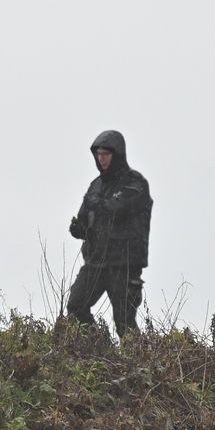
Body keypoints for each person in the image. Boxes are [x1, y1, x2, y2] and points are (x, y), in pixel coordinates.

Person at [66, 130, 153, 336]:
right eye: (99, 154)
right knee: (75, 306)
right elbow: (86, 217)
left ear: (117, 155)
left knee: (124, 322)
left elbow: (120, 208)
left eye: (106, 154)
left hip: (124, 264)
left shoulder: (135, 183)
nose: (102, 159)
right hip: (96, 262)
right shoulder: (96, 186)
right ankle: (98, 346)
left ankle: (137, 364)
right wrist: (79, 229)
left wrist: (102, 205)